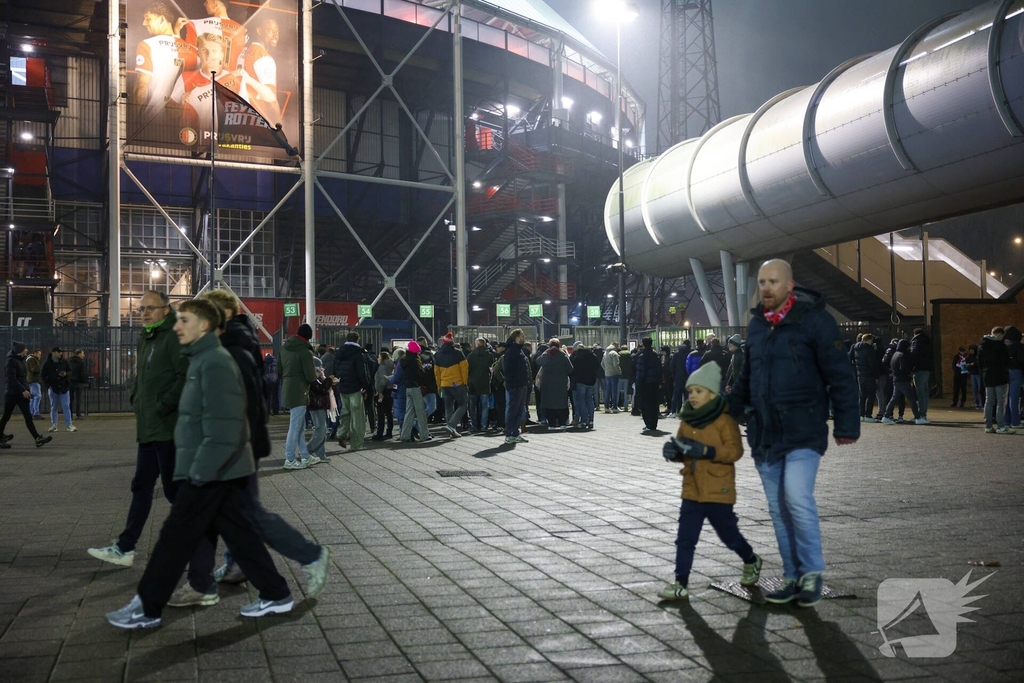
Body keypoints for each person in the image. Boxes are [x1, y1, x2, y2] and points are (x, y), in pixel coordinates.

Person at [104, 299, 294, 629]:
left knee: (174, 537)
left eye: (184, 321)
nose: (176, 327)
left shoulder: (215, 362)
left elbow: (225, 423)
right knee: (240, 534)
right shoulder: (202, 358)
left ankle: (147, 608)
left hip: (212, 468)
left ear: (204, 325)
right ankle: (277, 594)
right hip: (218, 467)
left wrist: (200, 469)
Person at [727, 259, 859, 607]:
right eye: (762, 283)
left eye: (773, 281)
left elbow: (840, 375)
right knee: (777, 509)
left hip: (804, 427)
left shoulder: (816, 321)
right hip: (765, 433)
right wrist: (729, 411)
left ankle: (812, 573)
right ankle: (792, 576)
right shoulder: (757, 325)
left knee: (796, 498)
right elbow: (746, 376)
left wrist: (847, 424)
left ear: (790, 285)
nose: (766, 288)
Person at [88, 291, 186, 567]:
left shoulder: (174, 336)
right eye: (141, 308)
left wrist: (162, 405)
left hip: (167, 427)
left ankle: (207, 543)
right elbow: (143, 377)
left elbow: (185, 376)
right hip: (149, 427)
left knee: (174, 492)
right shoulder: (147, 337)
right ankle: (125, 548)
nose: (143, 313)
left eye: (150, 308)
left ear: (166, 310)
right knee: (141, 486)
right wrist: (136, 398)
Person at [658, 362, 762, 601]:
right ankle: (680, 584)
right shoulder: (687, 420)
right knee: (685, 538)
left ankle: (750, 559)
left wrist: (707, 451)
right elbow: (686, 450)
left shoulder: (725, 421)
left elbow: (735, 452)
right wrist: (675, 454)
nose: (692, 396)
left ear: (713, 394)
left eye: (698, 391)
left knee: (729, 535)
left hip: (718, 490)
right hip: (692, 489)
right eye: (690, 391)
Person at [132, 1, 197, 115]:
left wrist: (134, 119)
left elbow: (141, 86)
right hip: (182, 123)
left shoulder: (147, 45)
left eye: (148, 18)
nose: (144, 23)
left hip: (151, 122)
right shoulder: (193, 51)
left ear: (162, 19)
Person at [0, 342, 51, 449]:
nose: (27, 350)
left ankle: (37, 438)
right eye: (25, 348)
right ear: (20, 350)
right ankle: (37, 438)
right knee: (9, 416)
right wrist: (23, 390)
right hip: (14, 393)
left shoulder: (17, 360)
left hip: (15, 393)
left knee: (18, 416)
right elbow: (12, 379)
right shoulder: (12, 362)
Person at [280, 323, 315, 469]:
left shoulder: (284, 348)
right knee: (294, 426)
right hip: (300, 390)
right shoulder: (305, 352)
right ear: (308, 338)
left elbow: (278, 369)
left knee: (299, 425)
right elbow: (310, 376)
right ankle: (289, 459)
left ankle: (305, 456)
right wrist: (316, 375)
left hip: (287, 388)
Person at [235, 17, 282, 124]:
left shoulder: (243, 51)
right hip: (254, 119)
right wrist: (279, 129)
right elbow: (271, 100)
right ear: (259, 31)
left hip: (236, 115)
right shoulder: (263, 57)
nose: (275, 36)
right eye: (270, 31)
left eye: (277, 32)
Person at [334, 331, 372, 452]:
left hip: (342, 386)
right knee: (357, 416)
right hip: (355, 387)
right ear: (357, 340)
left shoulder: (339, 352)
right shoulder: (358, 353)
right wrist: (366, 386)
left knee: (345, 411)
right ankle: (357, 444)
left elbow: (334, 368)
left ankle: (341, 433)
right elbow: (362, 371)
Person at [881, 340, 927, 425]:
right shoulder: (902, 355)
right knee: (912, 399)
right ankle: (917, 417)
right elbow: (904, 368)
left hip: (896, 379)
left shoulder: (895, 354)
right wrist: (909, 371)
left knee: (893, 399)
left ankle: (886, 416)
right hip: (903, 380)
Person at [433, 332, 469, 439]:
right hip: (457, 383)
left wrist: (439, 386)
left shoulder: (437, 355)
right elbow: (464, 368)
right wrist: (464, 382)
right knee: (463, 405)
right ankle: (451, 425)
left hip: (444, 384)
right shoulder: (458, 353)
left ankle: (451, 431)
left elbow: (436, 373)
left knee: (448, 407)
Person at [978, 326, 1013, 434]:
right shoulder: (1000, 345)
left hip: (988, 376)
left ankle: (988, 426)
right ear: (999, 334)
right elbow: (1006, 361)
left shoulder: (982, 346)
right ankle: (1001, 426)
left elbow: (980, 363)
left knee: (989, 401)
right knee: (1001, 402)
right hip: (1000, 376)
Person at [537, 339, 573, 430]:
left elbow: (538, 362)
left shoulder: (546, 354)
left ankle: (551, 424)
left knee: (549, 404)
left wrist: (546, 352)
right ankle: (562, 423)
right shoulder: (563, 355)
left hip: (547, 384)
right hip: (561, 383)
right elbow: (570, 369)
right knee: (562, 404)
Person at [399, 341, 431, 443]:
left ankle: (405, 435)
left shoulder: (403, 360)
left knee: (409, 412)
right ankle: (424, 435)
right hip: (416, 388)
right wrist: (426, 368)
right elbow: (420, 374)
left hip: (408, 388)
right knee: (420, 412)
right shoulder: (414, 361)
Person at [503, 329, 531, 444]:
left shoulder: (518, 350)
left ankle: (515, 432)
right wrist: (514, 383)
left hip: (521, 384)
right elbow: (509, 370)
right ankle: (510, 433)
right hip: (516, 385)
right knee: (513, 410)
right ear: (517, 338)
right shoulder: (512, 351)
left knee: (519, 410)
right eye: (522, 336)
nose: (524, 338)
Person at [41, 347, 76, 433]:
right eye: (59, 352)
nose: (61, 353)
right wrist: (48, 385)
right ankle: (56, 425)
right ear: (53, 352)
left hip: (62, 387)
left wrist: (66, 375)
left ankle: (67, 424)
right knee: (55, 407)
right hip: (54, 387)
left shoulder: (63, 361)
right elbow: (42, 375)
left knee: (64, 406)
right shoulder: (48, 363)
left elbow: (70, 372)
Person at [635, 337, 662, 433]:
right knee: (654, 404)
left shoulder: (642, 356)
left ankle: (648, 424)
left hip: (645, 384)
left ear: (643, 344)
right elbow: (659, 370)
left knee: (645, 405)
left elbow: (641, 372)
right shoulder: (656, 355)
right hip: (654, 383)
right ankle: (654, 424)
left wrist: (638, 384)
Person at [850, 333, 880, 422]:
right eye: (871, 340)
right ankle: (868, 415)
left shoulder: (855, 348)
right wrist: (876, 376)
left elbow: (849, 358)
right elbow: (872, 364)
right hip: (869, 375)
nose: (872, 342)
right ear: (868, 340)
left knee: (862, 395)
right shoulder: (869, 349)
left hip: (860, 374)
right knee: (871, 395)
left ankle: (861, 414)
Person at [569, 341, 599, 430]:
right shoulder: (593, 356)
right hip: (591, 381)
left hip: (580, 381)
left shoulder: (577, 357)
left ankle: (583, 421)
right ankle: (591, 421)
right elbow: (597, 368)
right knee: (590, 400)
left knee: (581, 401)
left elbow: (573, 370)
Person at [466, 338, 493, 433]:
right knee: (485, 405)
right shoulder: (489, 355)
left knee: (472, 406)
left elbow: (467, 370)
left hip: (473, 383)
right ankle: (483, 425)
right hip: (484, 383)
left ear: (476, 345)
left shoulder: (471, 356)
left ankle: (474, 425)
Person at [909, 328, 933, 420]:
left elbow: (913, 355)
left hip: (918, 369)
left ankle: (921, 414)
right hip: (926, 369)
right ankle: (923, 413)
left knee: (920, 393)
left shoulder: (916, 341)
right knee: (925, 392)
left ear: (915, 333)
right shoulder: (928, 341)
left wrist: (911, 368)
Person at [1003, 326, 1023, 429]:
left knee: (1006, 398)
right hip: (1016, 371)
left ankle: (1007, 421)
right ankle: (1015, 422)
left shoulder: (1002, 346)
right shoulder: (1019, 346)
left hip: (1005, 372)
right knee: (1014, 398)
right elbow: (1021, 359)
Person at [373, 350, 395, 441]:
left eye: (379, 357)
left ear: (382, 358)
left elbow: (382, 380)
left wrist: (380, 391)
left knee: (381, 413)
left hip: (383, 391)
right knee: (389, 412)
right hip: (389, 391)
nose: (378, 358)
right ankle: (389, 431)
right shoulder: (390, 365)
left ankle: (379, 433)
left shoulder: (382, 367)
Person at [670, 341, 691, 414]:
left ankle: (673, 411)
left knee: (675, 396)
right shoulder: (690, 353)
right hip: (688, 378)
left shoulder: (676, 354)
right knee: (687, 396)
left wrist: (674, 376)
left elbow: (672, 366)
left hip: (678, 377)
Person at [69, 349, 89, 419]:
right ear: (79, 354)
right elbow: (82, 373)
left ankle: (70, 414)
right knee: (78, 398)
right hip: (78, 382)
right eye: (82, 354)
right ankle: (78, 414)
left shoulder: (69, 361)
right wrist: (85, 381)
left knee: (70, 399)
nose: (83, 355)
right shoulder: (81, 362)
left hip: (70, 382)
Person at [602, 342, 621, 413]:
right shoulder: (614, 353)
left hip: (607, 374)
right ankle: (615, 407)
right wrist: (619, 372)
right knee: (614, 391)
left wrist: (606, 370)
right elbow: (616, 364)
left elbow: (602, 364)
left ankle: (606, 407)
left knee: (608, 391)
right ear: (615, 346)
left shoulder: (605, 353)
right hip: (614, 374)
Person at [965, 344, 982, 408]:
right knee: (974, 389)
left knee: (980, 389)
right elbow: (966, 362)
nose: (971, 351)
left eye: (972, 350)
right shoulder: (969, 356)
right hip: (973, 374)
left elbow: (979, 362)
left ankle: (981, 402)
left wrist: (974, 364)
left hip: (978, 374)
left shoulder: (978, 355)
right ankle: (976, 402)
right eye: (970, 350)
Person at [26, 349, 42, 419]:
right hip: (34, 379)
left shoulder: (29, 359)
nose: (40, 355)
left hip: (31, 379)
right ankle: (36, 412)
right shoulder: (32, 359)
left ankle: (31, 412)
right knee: (37, 396)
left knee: (33, 397)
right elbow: (34, 370)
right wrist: (38, 365)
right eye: (39, 354)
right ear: (35, 353)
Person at [618, 344, 633, 412]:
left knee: (618, 391)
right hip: (627, 375)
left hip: (620, 375)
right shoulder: (630, 355)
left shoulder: (618, 355)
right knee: (626, 392)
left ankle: (616, 406)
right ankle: (626, 406)